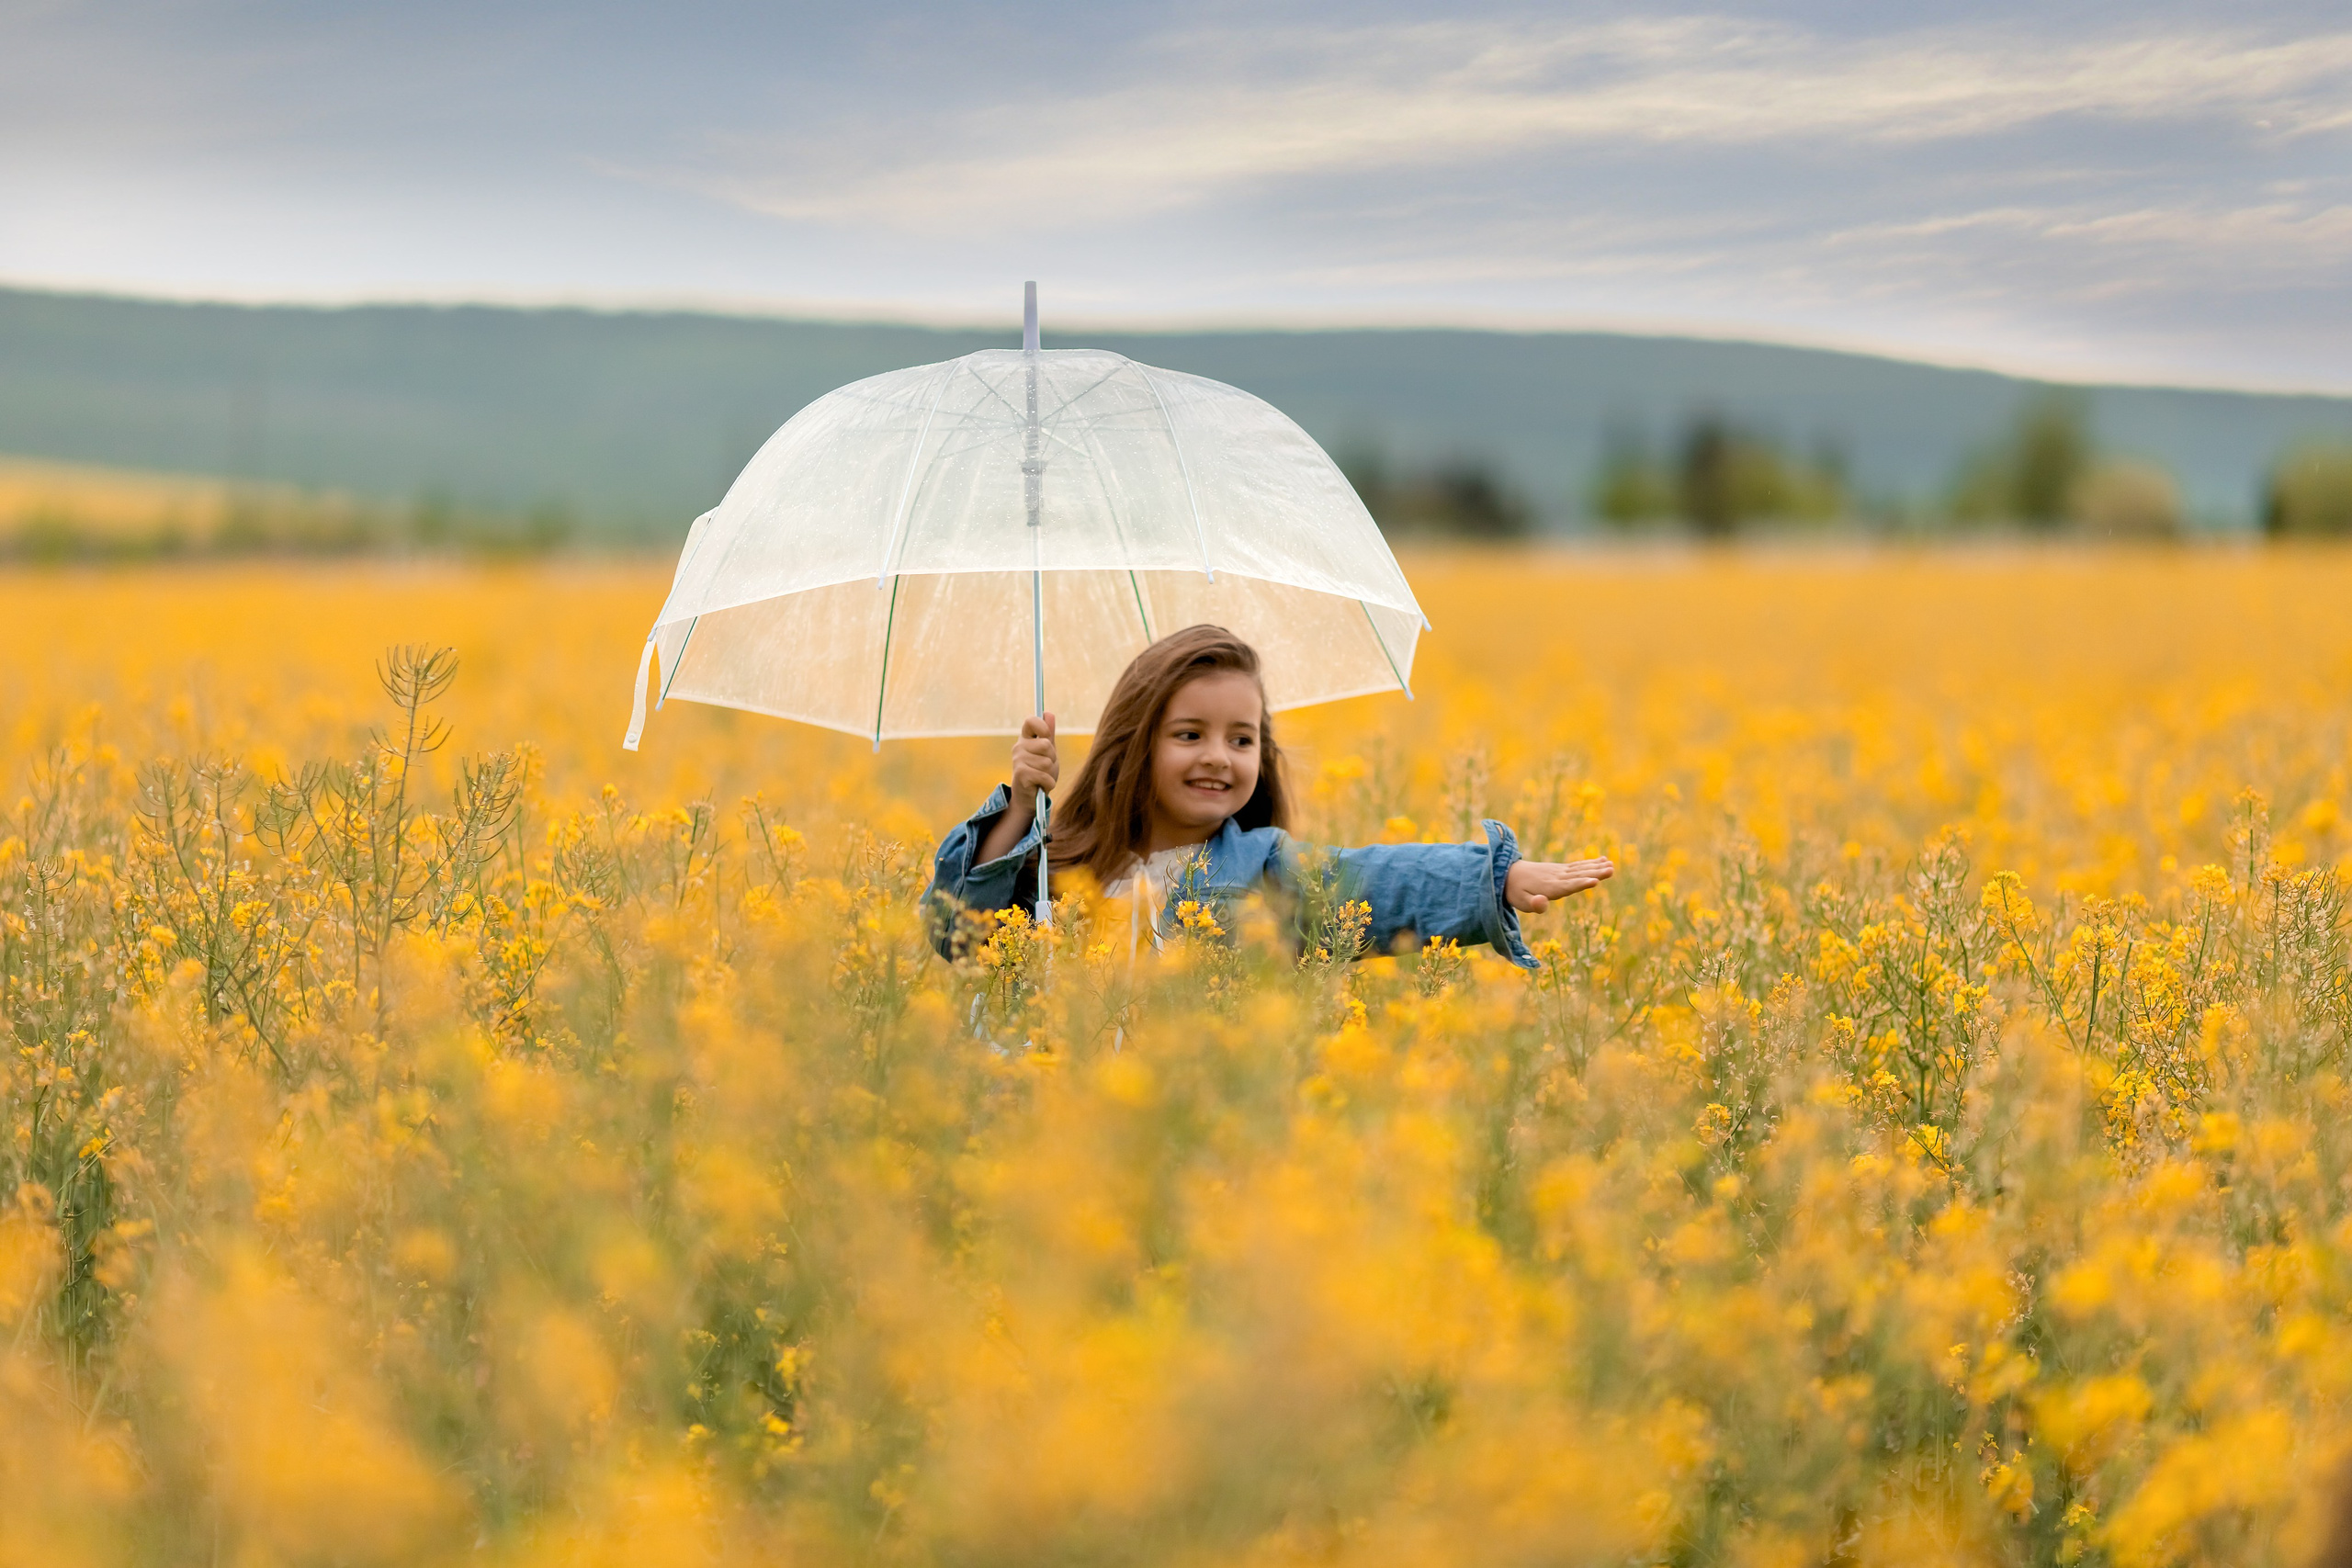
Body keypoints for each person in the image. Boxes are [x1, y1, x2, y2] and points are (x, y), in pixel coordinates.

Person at [924, 624, 1612, 965]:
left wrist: (1493, 877)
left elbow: (1377, 883)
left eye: (1243, 739)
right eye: (1189, 734)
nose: (1220, 757)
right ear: (1134, 743)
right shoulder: (1056, 866)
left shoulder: (1261, 869)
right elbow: (952, 933)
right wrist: (1020, 808)